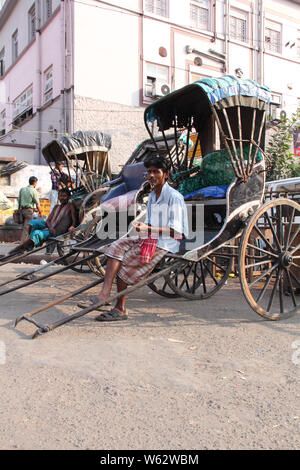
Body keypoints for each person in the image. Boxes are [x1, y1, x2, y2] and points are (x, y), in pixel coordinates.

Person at [78, 155, 189, 321]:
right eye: (149, 172)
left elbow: (176, 231)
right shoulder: (152, 196)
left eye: (156, 172)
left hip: (166, 242)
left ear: (165, 174)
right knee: (115, 246)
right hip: (151, 236)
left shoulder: (174, 197)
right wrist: (140, 229)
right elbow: (150, 223)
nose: (151, 175)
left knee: (125, 261)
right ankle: (104, 294)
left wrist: (147, 228)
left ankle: (120, 308)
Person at [9, 188, 76, 254]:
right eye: (61, 196)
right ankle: (30, 244)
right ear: (58, 197)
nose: (62, 198)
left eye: (64, 196)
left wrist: (72, 226)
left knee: (37, 233)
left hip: (57, 231)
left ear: (68, 197)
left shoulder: (70, 206)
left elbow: (74, 219)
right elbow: (48, 220)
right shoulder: (56, 207)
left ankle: (22, 247)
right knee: (32, 223)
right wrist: (50, 227)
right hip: (50, 227)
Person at [18, 176, 42, 243]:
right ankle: (22, 244)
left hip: (22, 210)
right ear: (35, 182)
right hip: (29, 211)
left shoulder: (22, 189)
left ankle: (26, 242)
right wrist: (40, 211)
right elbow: (37, 203)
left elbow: (19, 200)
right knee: (27, 228)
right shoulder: (33, 190)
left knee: (25, 227)